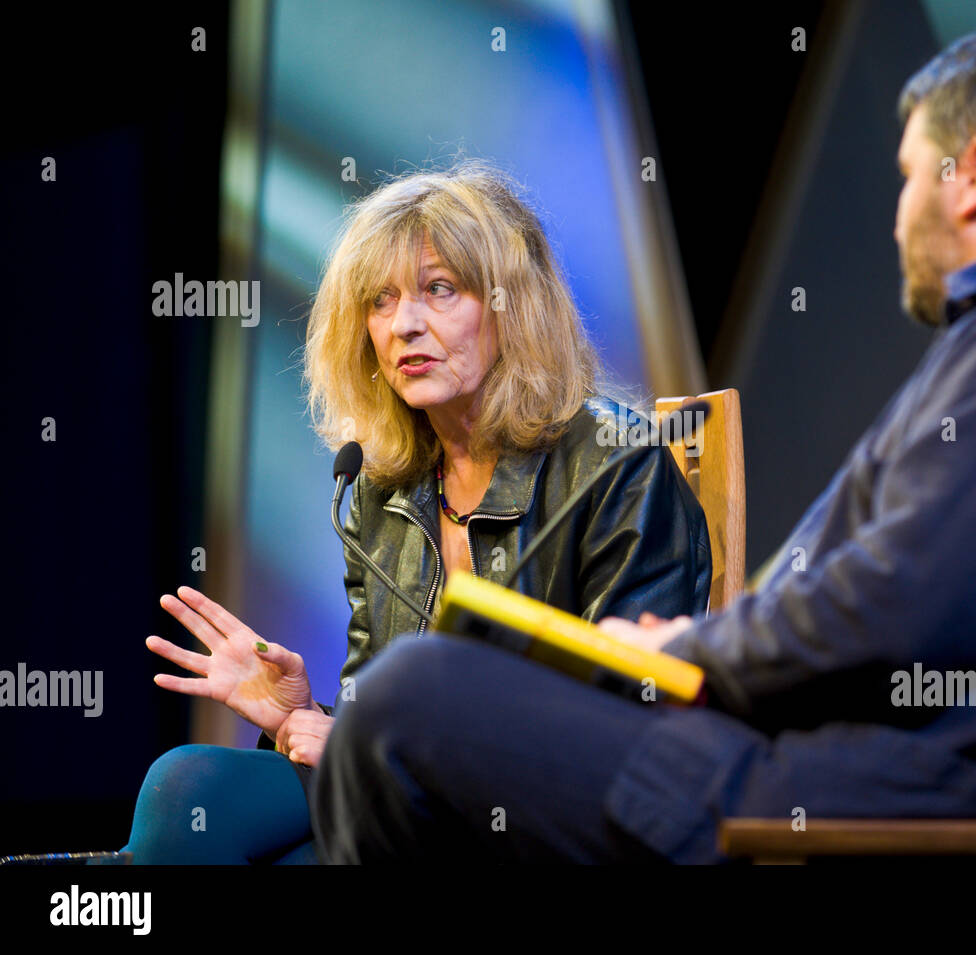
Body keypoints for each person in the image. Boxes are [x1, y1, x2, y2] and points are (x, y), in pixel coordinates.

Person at [309, 14, 976, 864]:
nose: (897, 219)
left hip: (904, 791)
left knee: (411, 698)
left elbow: (898, 605)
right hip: (856, 767)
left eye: (906, 175)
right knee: (402, 717)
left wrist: (681, 651)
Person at [121, 164, 712, 864]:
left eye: (440, 289)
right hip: (409, 800)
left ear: (510, 306)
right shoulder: (384, 484)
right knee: (186, 786)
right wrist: (302, 716)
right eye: (380, 300)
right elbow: (379, 712)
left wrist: (397, 750)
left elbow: (632, 712)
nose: (404, 324)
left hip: (537, 811)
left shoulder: (614, 462)